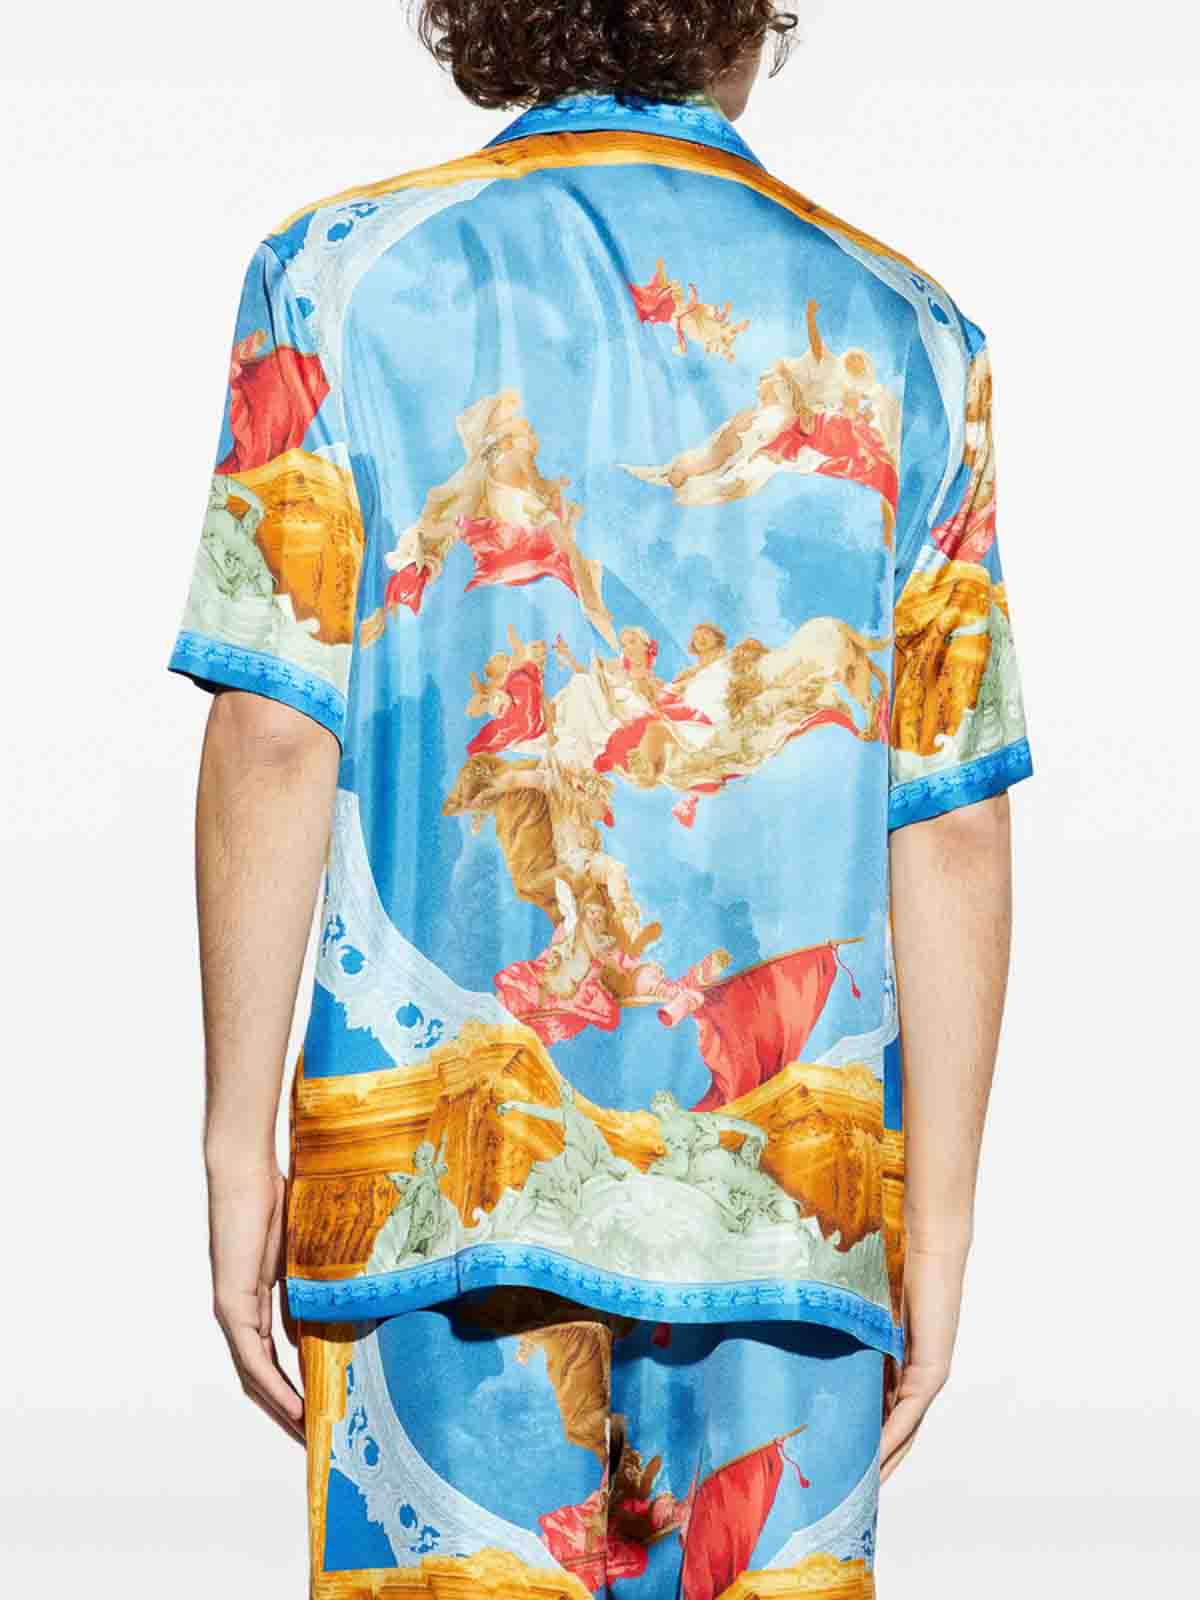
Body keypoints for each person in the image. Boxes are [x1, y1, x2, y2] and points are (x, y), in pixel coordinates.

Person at [166, 3, 1033, 1592]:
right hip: (788, 1215)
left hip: (443, 1188)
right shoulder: (911, 332)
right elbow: (954, 814)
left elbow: (275, 733)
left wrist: (237, 1148)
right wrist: (939, 1225)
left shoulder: (339, 278)